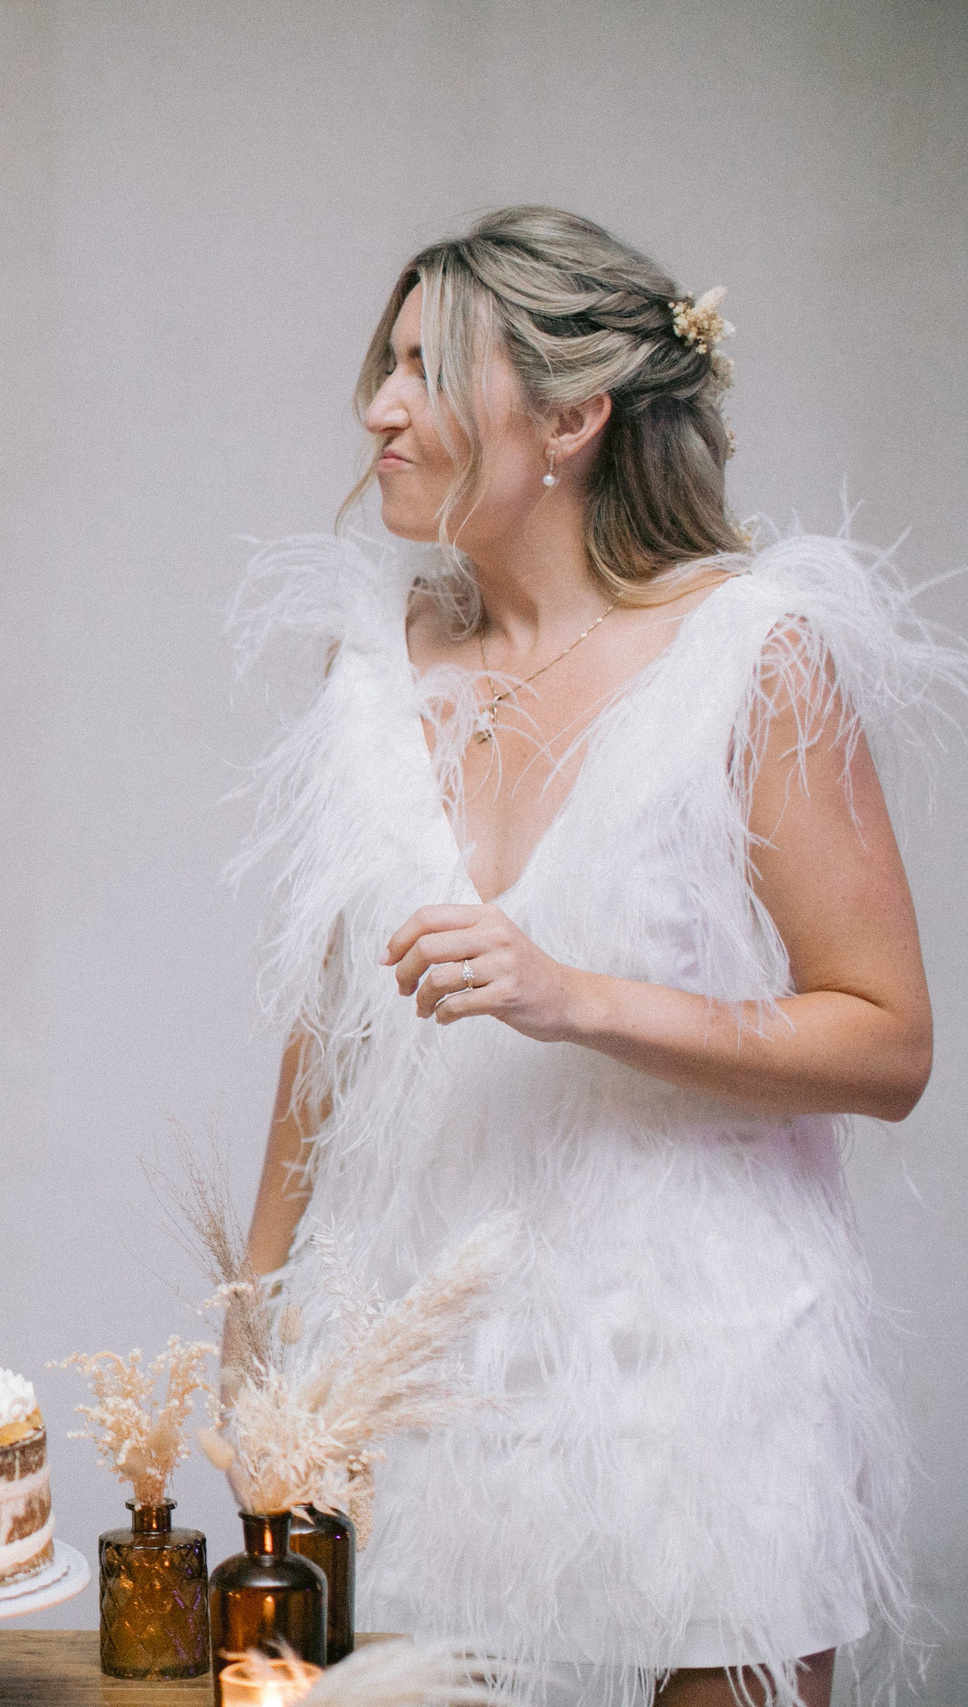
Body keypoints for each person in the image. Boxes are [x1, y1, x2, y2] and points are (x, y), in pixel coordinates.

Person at [232, 207, 954, 1707]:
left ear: (571, 418)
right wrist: (258, 1318)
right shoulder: (373, 667)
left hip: (705, 1384)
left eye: (429, 369)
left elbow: (886, 1041)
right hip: (424, 1383)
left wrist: (577, 998)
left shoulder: (756, 654)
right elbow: (328, 1028)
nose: (379, 404)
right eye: (386, 361)